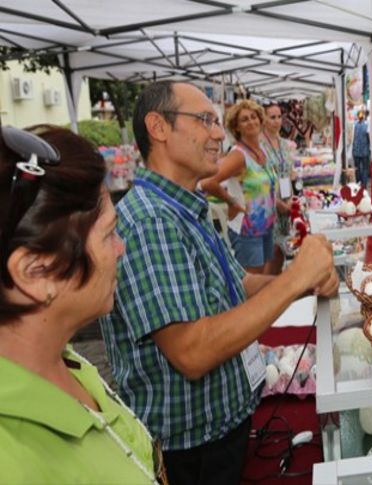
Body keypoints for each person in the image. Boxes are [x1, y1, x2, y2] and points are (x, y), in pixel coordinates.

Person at [100, 81, 338, 485]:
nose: (217, 133)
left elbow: (237, 283)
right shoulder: (151, 221)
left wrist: (301, 284)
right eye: (205, 120)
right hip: (191, 454)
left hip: (218, 435)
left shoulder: (183, 207)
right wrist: (296, 276)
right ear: (158, 127)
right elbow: (191, 351)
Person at [0, 125, 161, 483]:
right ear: (36, 272)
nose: (121, 248)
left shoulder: (64, 360)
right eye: (108, 234)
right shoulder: (11, 461)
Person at [201, 99, 277, 275]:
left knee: (264, 281)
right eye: (244, 120)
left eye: (253, 117)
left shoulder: (262, 150)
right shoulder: (238, 155)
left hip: (266, 226)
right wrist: (231, 201)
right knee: (252, 283)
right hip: (247, 229)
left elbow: (265, 189)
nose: (251, 122)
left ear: (260, 119)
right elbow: (207, 182)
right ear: (237, 127)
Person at [259, 101, 295, 275]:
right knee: (271, 254)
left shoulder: (283, 144)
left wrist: (290, 198)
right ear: (264, 119)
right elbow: (261, 179)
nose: (277, 121)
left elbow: (288, 172)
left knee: (283, 249)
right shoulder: (259, 145)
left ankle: (278, 283)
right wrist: (277, 202)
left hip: (285, 204)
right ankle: (268, 291)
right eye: (272, 117)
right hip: (269, 205)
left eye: (279, 117)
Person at [352, 109, 371, 189]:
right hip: (365, 150)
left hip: (356, 150)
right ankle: (364, 185)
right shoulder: (367, 125)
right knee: (365, 168)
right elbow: (369, 137)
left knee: (357, 168)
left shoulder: (355, 125)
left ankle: (358, 183)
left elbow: (352, 137)